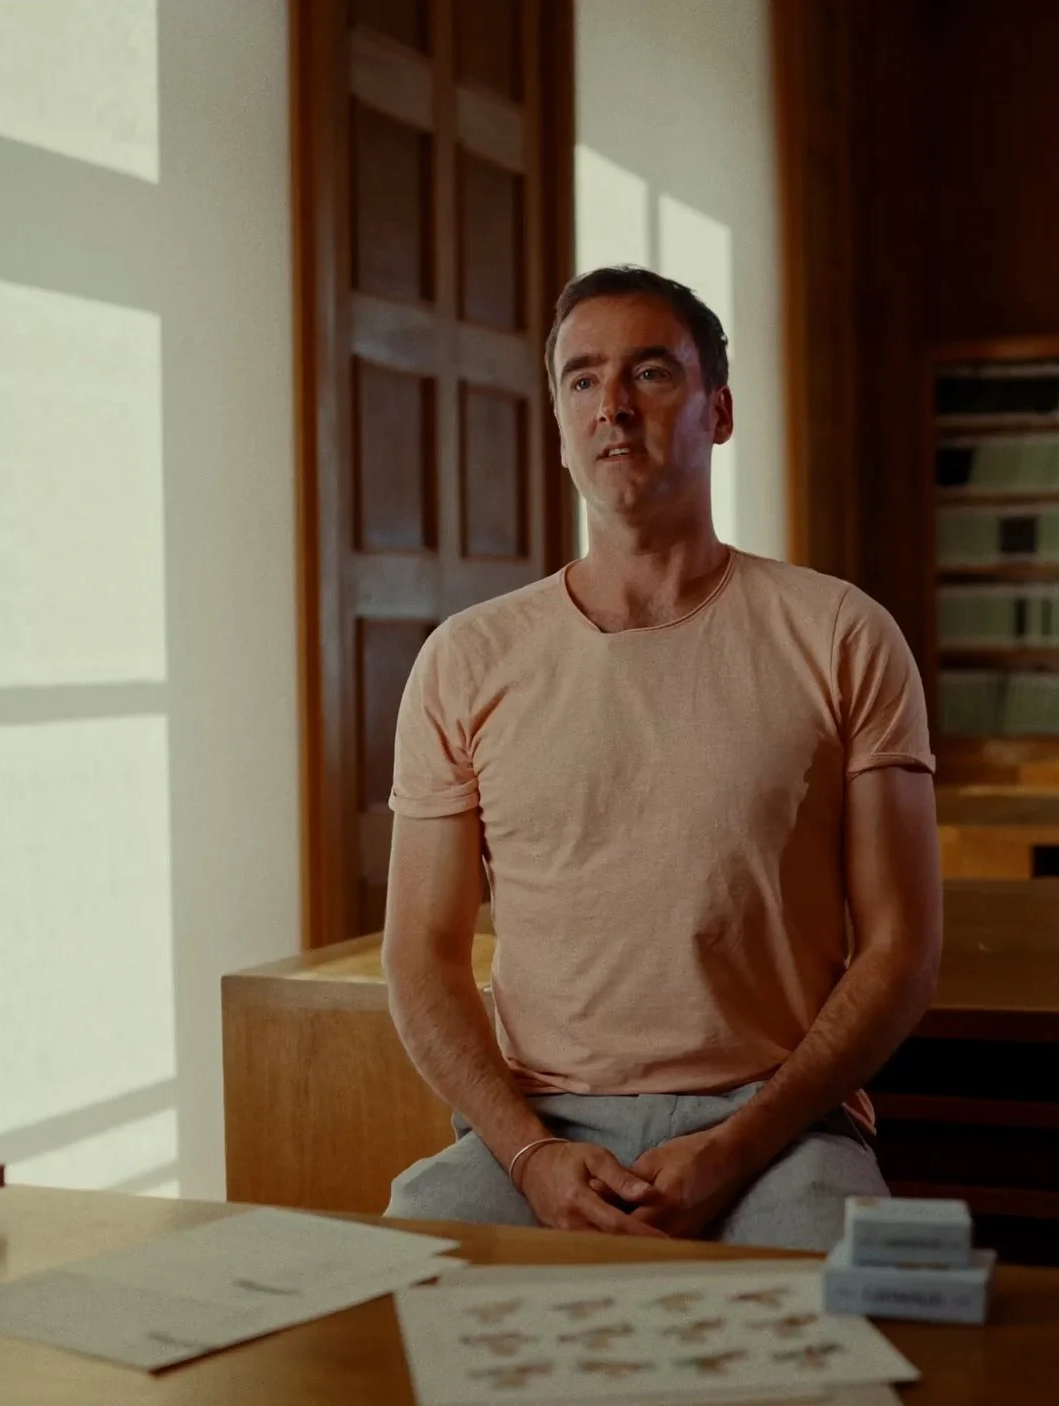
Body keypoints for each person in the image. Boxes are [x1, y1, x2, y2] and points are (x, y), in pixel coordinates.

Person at [377, 265, 943, 1251]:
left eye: (651, 374)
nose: (614, 408)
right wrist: (530, 1155)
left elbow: (900, 946)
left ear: (718, 411)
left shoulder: (842, 633)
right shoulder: (465, 660)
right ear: (557, 420)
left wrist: (736, 1143)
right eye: (582, 380)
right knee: (412, 1274)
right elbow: (420, 956)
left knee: (827, 1321)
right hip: (542, 1126)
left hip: (778, 1121)